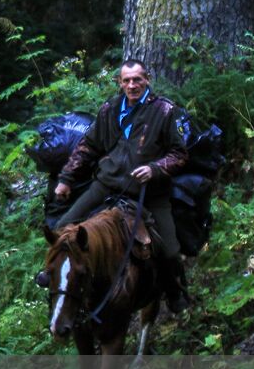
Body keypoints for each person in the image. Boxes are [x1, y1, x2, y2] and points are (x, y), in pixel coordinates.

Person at [53, 60, 191, 312]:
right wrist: (66, 179)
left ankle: (176, 292)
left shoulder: (165, 111)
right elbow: (88, 146)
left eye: (137, 79)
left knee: (170, 250)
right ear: (120, 82)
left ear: (147, 79)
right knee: (62, 229)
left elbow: (179, 154)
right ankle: (61, 286)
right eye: (126, 80)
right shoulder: (110, 109)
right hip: (106, 184)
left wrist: (154, 168)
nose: (132, 85)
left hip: (149, 193)